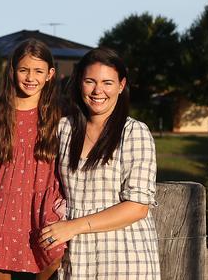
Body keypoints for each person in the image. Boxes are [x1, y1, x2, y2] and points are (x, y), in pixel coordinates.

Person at [39, 47, 160, 279]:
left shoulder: (134, 132)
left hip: (124, 255)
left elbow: (137, 207)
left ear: (121, 86)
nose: (98, 91)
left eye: (107, 83)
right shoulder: (64, 129)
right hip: (76, 255)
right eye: (90, 81)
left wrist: (74, 226)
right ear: (79, 83)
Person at [0, 39, 65, 280]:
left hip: (43, 194)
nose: (30, 77)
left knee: (52, 254)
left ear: (50, 74)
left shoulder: (59, 114)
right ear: (12, 71)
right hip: (4, 195)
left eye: (38, 71)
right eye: (24, 70)